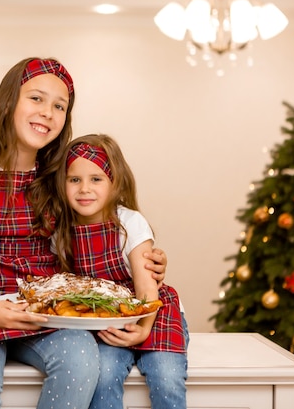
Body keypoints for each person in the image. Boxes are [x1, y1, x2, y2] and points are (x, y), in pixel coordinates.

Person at [0, 57, 168, 409]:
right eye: (36, 98)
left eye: (59, 106)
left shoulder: (58, 176)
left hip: (41, 309)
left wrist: (144, 256)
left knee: (82, 363)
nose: (47, 112)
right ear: (9, 102)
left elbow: (104, 226)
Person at [54, 134, 188, 409]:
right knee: (102, 377)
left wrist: (142, 330)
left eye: (96, 179)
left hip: (152, 313)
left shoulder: (130, 223)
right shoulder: (60, 234)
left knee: (166, 376)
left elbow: (146, 289)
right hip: (107, 323)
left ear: (114, 182)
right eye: (74, 179)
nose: (84, 189)